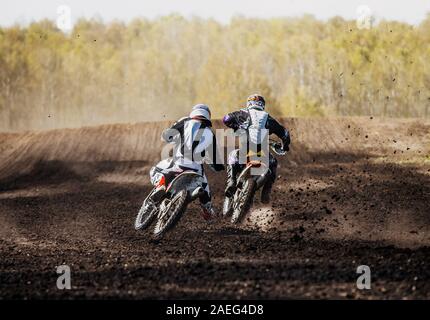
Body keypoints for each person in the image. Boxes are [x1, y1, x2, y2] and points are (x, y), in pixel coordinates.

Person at [149, 104, 225, 220]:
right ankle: (207, 208)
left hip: (178, 165)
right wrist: (218, 167)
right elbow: (216, 163)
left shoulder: (186, 121)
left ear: (194, 113)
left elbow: (166, 136)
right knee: (204, 186)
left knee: (155, 169)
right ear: (207, 116)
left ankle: (161, 185)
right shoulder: (210, 133)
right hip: (196, 171)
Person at [222, 94, 291, 204]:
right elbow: (285, 134)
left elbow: (226, 119)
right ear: (262, 105)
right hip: (261, 153)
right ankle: (266, 192)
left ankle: (231, 181)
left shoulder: (242, 113)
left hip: (245, 150)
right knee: (273, 162)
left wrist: (235, 126)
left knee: (233, 155)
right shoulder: (268, 118)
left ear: (249, 103)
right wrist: (285, 146)